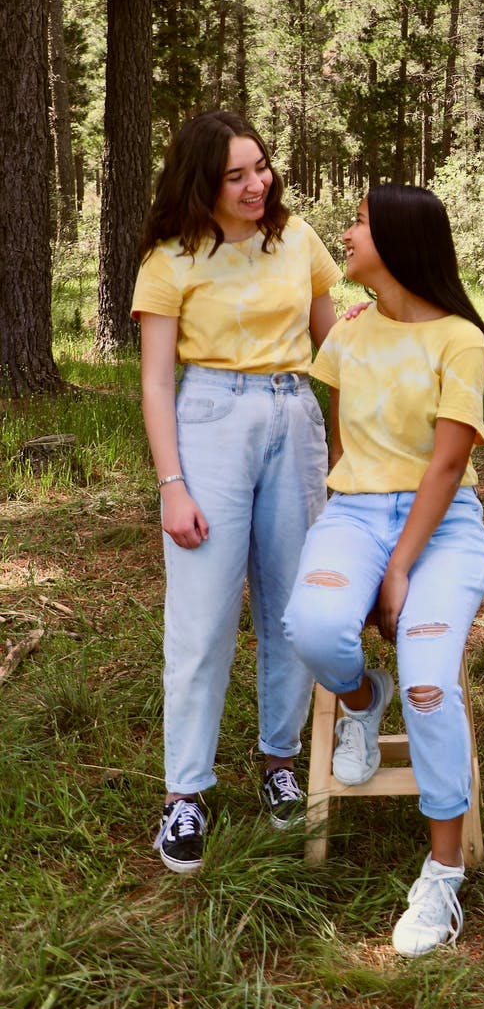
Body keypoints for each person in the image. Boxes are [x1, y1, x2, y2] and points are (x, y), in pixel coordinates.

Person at [283, 182, 484, 956]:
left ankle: (441, 876)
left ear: (400, 242)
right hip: (354, 515)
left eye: (360, 223)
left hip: (440, 527)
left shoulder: (459, 340)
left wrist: (397, 568)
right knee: (313, 626)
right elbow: (343, 448)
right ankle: (361, 697)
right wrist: (355, 548)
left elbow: (445, 467)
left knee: (431, 679)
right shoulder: (345, 334)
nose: (346, 232)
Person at [132, 110, 342, 873]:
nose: (258, 184)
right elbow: (156, 382)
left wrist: (352, 454)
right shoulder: (170, 258)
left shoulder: (299, 240)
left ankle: (279, 761)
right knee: (202, 614)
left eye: (261, 167)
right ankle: (184, 795)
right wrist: (171, 484)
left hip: (295, 414)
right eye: (236, 175)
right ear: (201, 184)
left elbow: (335, 347)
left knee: (293, 603)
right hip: (210, 422)